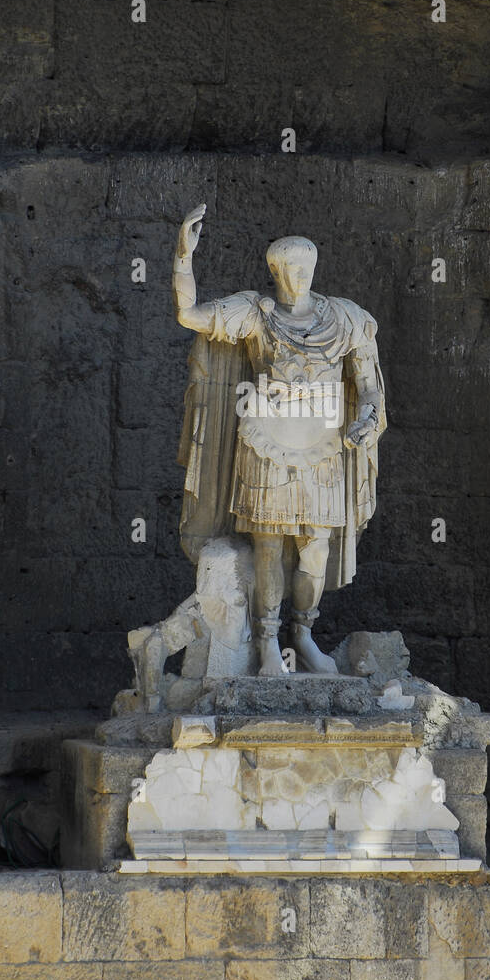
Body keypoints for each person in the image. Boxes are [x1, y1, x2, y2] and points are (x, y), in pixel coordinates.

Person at [173, 203, 386, 677]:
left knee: (316, 547)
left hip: (325, 445)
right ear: (275, 271)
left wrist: (367, 418)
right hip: (265, 439)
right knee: (268, 545)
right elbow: (190, 315)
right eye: (290, 268)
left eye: (306, 267)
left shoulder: (348, 319)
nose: (300, 276)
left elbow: (369, 386)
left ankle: (304, 635)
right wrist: (183, 256)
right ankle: (268, 642)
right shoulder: (254, 312)